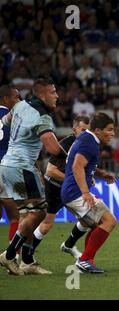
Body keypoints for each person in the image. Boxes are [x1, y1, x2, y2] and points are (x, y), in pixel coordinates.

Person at [0, 78, 63, 276]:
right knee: (39, 213)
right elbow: (52, 148)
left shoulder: (19, 105)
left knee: (27, 214)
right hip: (22, 167)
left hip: (8, 165)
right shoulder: (42, 116)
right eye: (53, 92)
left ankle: (27, 261)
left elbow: (5, 121)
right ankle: (9, 255)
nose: (57, 96)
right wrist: (70, 159)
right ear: (42, 94)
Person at [61, 112, 117, 273]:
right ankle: (85, 260)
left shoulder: (87, 138)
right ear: (98, 130)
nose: (112, 133)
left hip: (71, 191)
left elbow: (83, 164)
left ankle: (87, 260)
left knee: (98, 225)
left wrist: (102, 174)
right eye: (109, 129)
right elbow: (77, 166)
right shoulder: (90, 142)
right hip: (76, 192)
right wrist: (85, 193)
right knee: (109, 221)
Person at [31, 116, 90, 260]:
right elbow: (50, 171)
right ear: (74, 130)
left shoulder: (88, 144)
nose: (85, 134)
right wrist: (76, 179)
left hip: (70, 189)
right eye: (82, 130)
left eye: (88, 131)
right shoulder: (65, 144)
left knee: (87, 220)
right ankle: (23, 255)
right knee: (46, 226)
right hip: (54, 188)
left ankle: (68, 245)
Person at [0, 85, 21, 246]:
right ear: (5, 99)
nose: (18, 100)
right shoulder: (14, 119)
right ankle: (11, 258)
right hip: (5, 171)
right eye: (16, 97)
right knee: (16, 216)